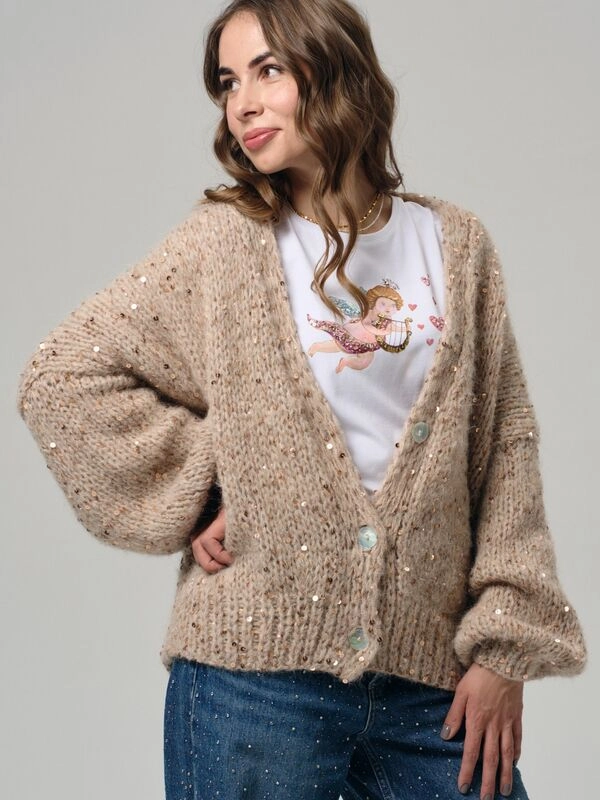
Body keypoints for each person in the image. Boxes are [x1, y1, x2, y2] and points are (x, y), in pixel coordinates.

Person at [16, 1, 586, 798]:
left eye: (268, 70)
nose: (242, 103)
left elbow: (504, 448)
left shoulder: (457, 246)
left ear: (336, 70)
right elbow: (61, 374)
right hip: (253, 683)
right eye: (227, 82)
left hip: (432, 686)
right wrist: (212, 479)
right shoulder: (225, 241)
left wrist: (506, 648)